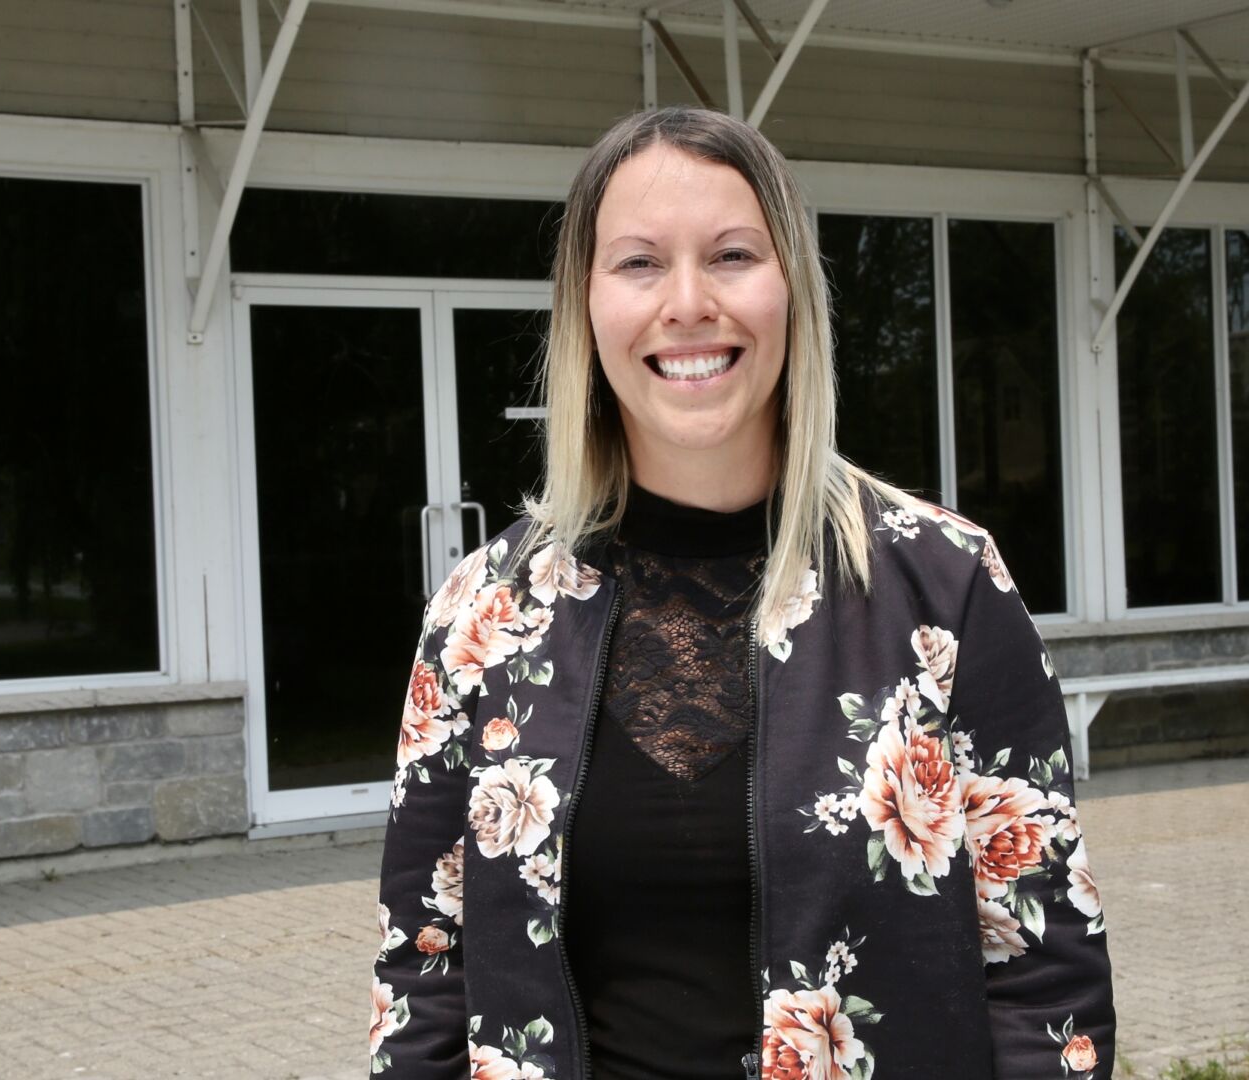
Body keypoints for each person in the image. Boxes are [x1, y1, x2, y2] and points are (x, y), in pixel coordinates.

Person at [370, 106, 1114, 1080]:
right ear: (585, 307)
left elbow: (1045, 983)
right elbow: (425, 978)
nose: (687, 302)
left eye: (731, 256)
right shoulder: (481, 615)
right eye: (639, 263)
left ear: (792, 290)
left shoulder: (949, 585)